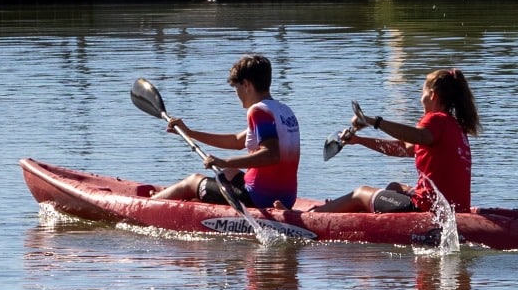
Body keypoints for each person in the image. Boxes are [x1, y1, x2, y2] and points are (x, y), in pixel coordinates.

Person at [319, 68, 479, 214]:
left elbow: (420, 136)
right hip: (456, 207)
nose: (420, 100)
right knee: (395, 187)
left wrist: (375, 122)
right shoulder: (455, 126)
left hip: (430, 208)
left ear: (433, 95)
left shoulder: (435, 120)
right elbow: (403, 148)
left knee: (360, 193)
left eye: (422, 94)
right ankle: (370, 220)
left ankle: (313, 215)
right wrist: (359, 140)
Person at [151, 53, 302, 207]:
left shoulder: (257, 111)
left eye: (236, 88)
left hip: (258, 198)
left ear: (246, 85)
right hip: (286, 198)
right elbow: (237, 141)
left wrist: (223, 161)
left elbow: (272, 154)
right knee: (229, 172)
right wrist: (189, 133)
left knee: (192, 181)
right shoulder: (284, 111)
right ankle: (203, 200)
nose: (236, 94)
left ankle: (148, 205)